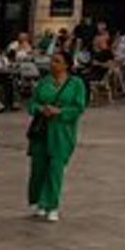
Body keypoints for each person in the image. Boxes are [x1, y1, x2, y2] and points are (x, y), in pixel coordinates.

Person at [24, 47, 88, 221]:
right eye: (52, 60)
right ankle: (38, 201)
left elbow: (79, 107)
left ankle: (52, 204)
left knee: (56, 169)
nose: (52, 64)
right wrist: (40, 109)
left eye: (57, 61)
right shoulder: (44, 82)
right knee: (38, 168)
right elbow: (31, 104)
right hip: (41, 131)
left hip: (62, 132)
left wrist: (60, 112)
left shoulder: (76, 84)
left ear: (67, 65)